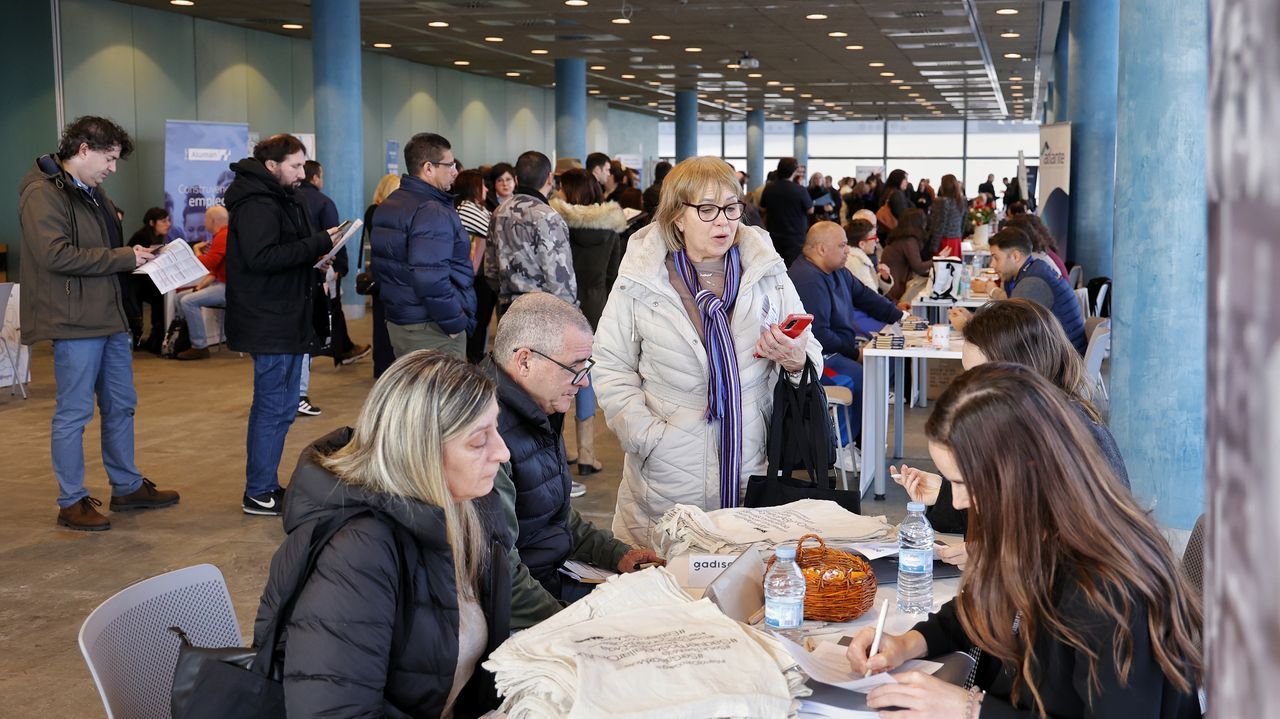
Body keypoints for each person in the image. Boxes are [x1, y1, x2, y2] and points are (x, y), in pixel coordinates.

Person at [848, 364, 1203, 719]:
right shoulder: (1034, 527)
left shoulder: (1109, 590)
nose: (956, 502)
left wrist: (969, 709)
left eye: (963, 482)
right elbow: (979, 608)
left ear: (1023, 469)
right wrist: (907, 643)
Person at [254, 351, 512, 718]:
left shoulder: (470, 507)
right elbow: (333, 712)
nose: (502, 452)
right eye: (478, 441)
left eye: (496, 428)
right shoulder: (358, 552)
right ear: (418, 451)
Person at [593, 156, 822, 547]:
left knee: (744, 587)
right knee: (669, 589)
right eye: (708, 209)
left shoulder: (766, 272)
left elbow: (810, 350)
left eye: (732, 208)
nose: (724, 221)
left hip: (753, 455)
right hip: (666, 467)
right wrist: (644, 434)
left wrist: (794, 357)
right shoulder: (642, 278)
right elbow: (610, 364)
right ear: (677, 216)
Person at [19, 115, 180, 530]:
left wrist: (141, 254)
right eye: (108, 159)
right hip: (73, 319)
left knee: (121, 405)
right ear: (83, 149)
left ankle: (126, 486)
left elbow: (104, 249)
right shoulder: (42, 193)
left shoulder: (93, 193)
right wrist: (127, 258)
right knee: (74, 412)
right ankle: (71, 500)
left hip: (109, 316)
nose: (113, 168)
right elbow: (54, 254)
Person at [894, 298, 1131, 565]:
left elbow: (1077, 554)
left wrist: (992, 556)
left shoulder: (1069, 440)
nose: (970, 390)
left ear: (1019, 371)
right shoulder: (1037, 421)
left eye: (980, 376)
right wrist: (946, 490)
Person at [482, 294, 660, 628]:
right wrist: (571, 627)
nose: (584, 382)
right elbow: (500, 574)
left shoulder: (537, 408)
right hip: (529, 610)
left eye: (586, 367)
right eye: (574, 368)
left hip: (550, 584)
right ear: (524, 362)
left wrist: (615, 553)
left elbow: (550, 513)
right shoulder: (487, 438)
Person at [225, 133, 341, 516]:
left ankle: (266, 484)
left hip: (287, 314)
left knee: (285, 405)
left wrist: (317, 258)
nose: (301, 173)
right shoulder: (257, 202)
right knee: (272, 406)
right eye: (294, 165)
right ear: (272, 165)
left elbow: (284, 254)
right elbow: (262, 257)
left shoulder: (282, 197)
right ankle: (258, 490)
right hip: (269, 319)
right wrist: (318, 241)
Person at [789, 222, 909, 463]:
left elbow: (866, 298)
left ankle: (864, 444)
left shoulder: (838, 272)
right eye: (842, 245)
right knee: (860, 378)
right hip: (815, 360)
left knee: (872, 374)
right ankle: (842, 447)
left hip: (836, 352)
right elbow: (820, 335)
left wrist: (902, 317)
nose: (848, 251)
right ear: (821, 249)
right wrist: (856, 354)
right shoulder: (807, 279)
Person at [548, 169, 627, 476]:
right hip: (596, 309)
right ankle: (587, 454)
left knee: (555, 377)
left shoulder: (557, 226)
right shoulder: (610, 229)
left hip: (559, 308)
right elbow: (613, 277)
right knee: (585, 380)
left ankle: (560, 447)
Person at [370, 132, 475, 361]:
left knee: (418, 393)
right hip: (432, 328)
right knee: (444, 396)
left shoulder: (390, 204)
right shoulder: (431, 210)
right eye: (450, 165)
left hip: (401, 322)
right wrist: (455, 321)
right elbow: (431, 278)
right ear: (428, 168)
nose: (455, 171)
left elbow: (382, 270)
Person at [950, 227, 1087, 354]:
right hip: (1063, 353)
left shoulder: (1032, 283)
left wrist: (967, 326)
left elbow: (1007, 337)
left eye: (996, 258)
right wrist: (973, 318)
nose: (992, 264)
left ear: (1015, 256)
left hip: (1062, 365)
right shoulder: (1035, 269)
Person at [297, 160, 370, 368]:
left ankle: (342, 348)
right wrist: (340, 267)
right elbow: (335, 237)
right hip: (324, 266)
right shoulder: (323, 202)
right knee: (333, 308)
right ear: (315, 178)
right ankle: (341, 350)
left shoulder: (291, 199)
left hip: (299, 266)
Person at [486, 150, 577, 313]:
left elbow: (491, 270)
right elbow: (560, 277)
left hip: (507, 308)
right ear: (550, 177)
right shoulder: (547, 216)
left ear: (516, 179)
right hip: (541, 311)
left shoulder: (499, 211)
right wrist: (571, 313)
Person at [175, 205, 229, 360]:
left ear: (212, 220)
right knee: (180, 297)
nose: (205, 222)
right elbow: (215, 271)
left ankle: (199, 346)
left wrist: (197, 250)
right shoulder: (224, 236)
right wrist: (199, 287)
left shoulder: (222, 237)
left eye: (205, 219)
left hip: (229, 288)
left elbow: (206, 265)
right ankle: (185, 339)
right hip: (222, 284)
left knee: (187, 300)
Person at [455, 169, 497, 364]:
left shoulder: (475, 207)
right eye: (483, 185)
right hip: (476, 277)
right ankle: (475, 362)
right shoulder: (466, 209)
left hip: (479, 275)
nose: (487, 189)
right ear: (473, 188)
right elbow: (494, 231)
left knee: (481, 322)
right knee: (478, 322)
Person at [363, 173, 401, 378]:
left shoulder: (380, 211)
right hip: (383, 276)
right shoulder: (376, 211)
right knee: (381, 323)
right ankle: (382, 366)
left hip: (389, 274)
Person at [123, 207, 170, 353]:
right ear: (151, 222)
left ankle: (157, 337)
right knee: (160, 296)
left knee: (162, 295)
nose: (168, 224)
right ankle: (154, 338)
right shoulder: (141, 237)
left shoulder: (157, 236)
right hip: (134, 282)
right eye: (163, 221)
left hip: (144, 280)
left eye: (168, 220)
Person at [757, 157, 814, 266]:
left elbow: (762, 208)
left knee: (776, 267)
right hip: (795, 236)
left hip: (774, 234)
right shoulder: (800, 189)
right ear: (794, 171)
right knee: (793, 268)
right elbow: (810, 210)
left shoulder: (769, 188)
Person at [880, 207, 933, 304]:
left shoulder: (900, 238)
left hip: (890, 285)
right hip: (894, 289)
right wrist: (936, 260)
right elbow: (919, 267)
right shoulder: (909, 241)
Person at [843, 217, 893, 297]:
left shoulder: (859, 258)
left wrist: (884, 278)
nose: (877, 240)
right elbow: (872, 298)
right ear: (862, 244)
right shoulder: (856, 264)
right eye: (874, 237)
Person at [927, 173, 966, 259]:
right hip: (956, 240)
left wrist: (933, 246)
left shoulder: (941, 201)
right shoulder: (962, 201)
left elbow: (939, 225)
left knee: (941, 268)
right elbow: (963, 223)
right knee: (954, 268)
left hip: (943, 241)